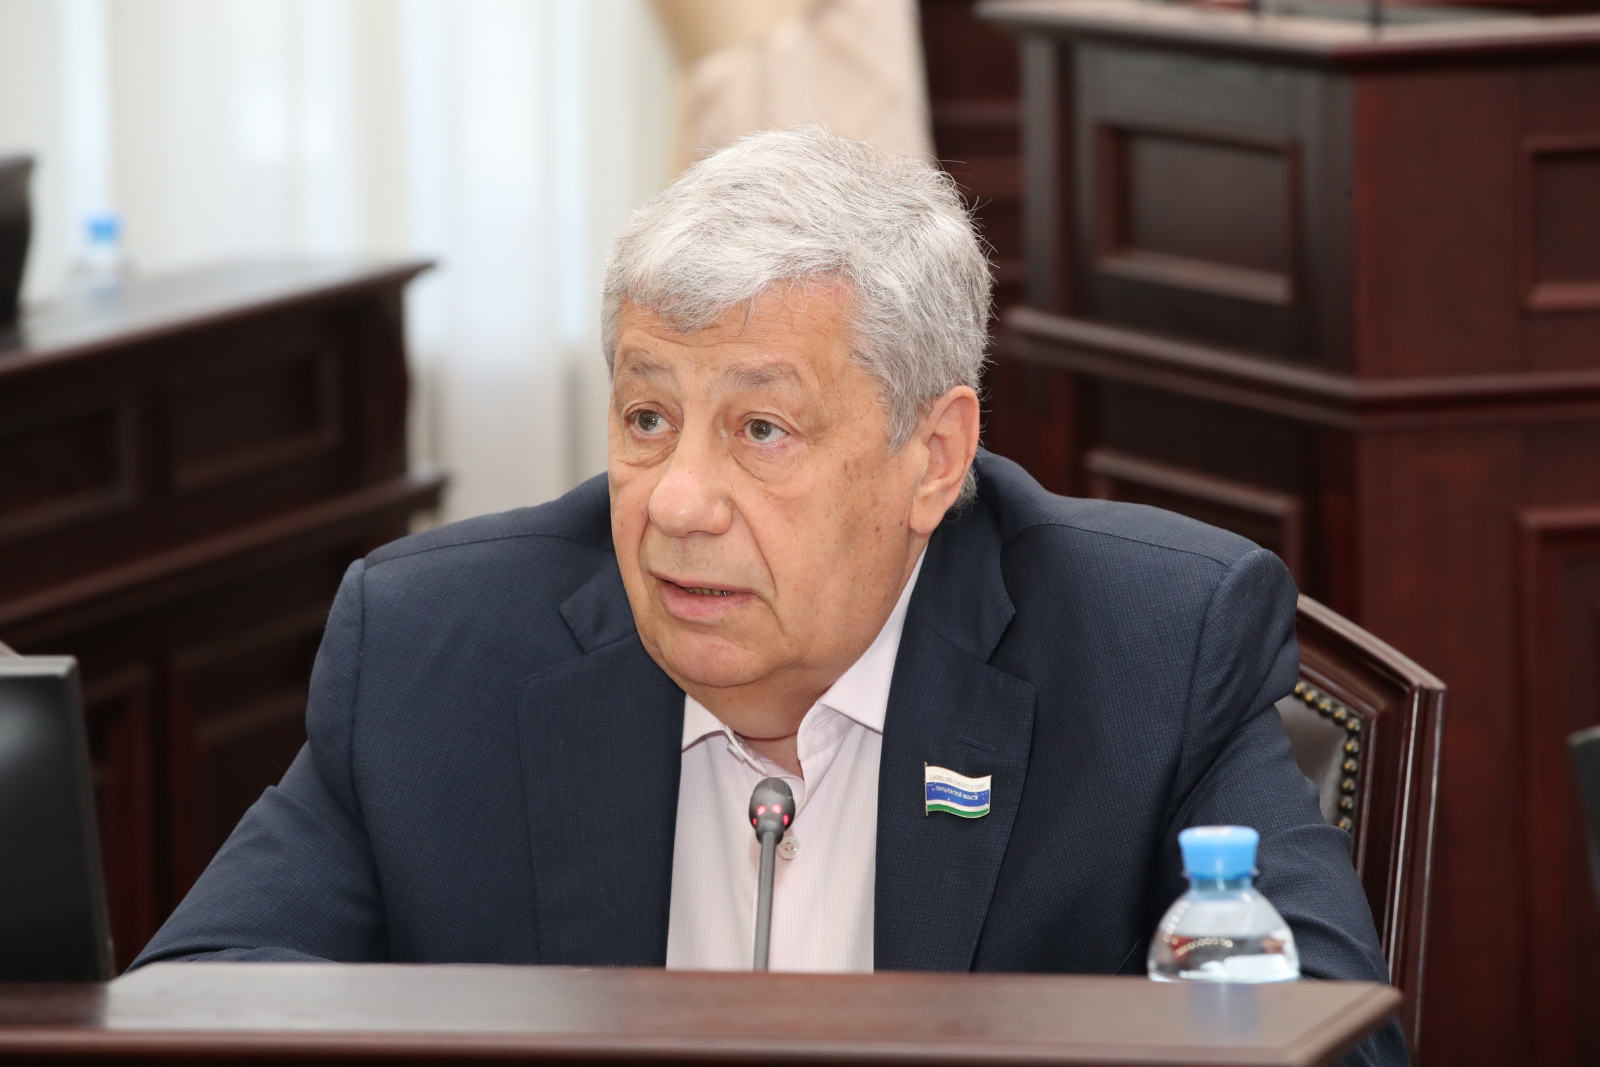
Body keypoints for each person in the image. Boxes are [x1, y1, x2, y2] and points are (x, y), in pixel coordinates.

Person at [134, 127, 1405, 1066]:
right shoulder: (437, 648)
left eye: (761, 429)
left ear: (933, 457)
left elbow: (1329, 1043)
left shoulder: (1149, 648)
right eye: (647, 417)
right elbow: (190, 1002)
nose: (677, 502)